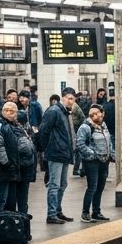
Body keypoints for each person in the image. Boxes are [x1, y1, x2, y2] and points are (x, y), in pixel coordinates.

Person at [0, 101, 36, 216]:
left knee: (10, 201)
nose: (9, 113)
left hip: (13, 171)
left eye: (12, 111)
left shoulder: (15, 126)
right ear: (2, 112)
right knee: (1, 199)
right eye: (7, 111)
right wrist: (6, 164)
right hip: (2, 170)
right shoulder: (0, 126)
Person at [41, 90, 76, 224]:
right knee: (54, 185)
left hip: (64, 153)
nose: (71, 101)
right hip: (56, 153)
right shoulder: (54, 111)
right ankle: (51, 214)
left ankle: (57, 211)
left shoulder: (65, 112)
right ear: (63, 98)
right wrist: (47, 149)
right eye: (69, 98)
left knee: (62, 184)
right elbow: (44, 131)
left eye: (73, 99)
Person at [76, 105, 114, 222]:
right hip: (92, 162)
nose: (101, 116)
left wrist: (111, 153)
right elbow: (80, 144)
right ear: (91, 115)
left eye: (101, 114)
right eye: (97, 114)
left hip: (104, 160)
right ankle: (85, 213)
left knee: (100, 187)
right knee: (92, 187)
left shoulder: (103, 125)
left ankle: (96, 212)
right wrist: (92, 154)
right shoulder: (85, 127)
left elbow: (109, 141)